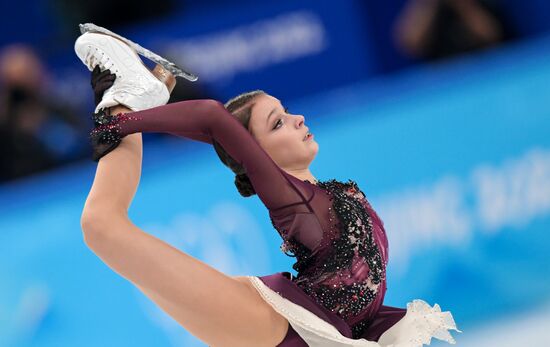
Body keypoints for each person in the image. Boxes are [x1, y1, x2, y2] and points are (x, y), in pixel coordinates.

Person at [76, 32, 460, 346]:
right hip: (285, 327)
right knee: (101, 226)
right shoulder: (294, 202)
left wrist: (143, 118)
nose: (297, 119)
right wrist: (121, 124)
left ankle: (133, 100)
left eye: (286, 112)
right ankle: (121, 102)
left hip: (318, 330)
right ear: (257, 155)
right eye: (278, 124)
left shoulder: (322, 193)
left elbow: (216, 132)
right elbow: (211, 116)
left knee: (104, 227)